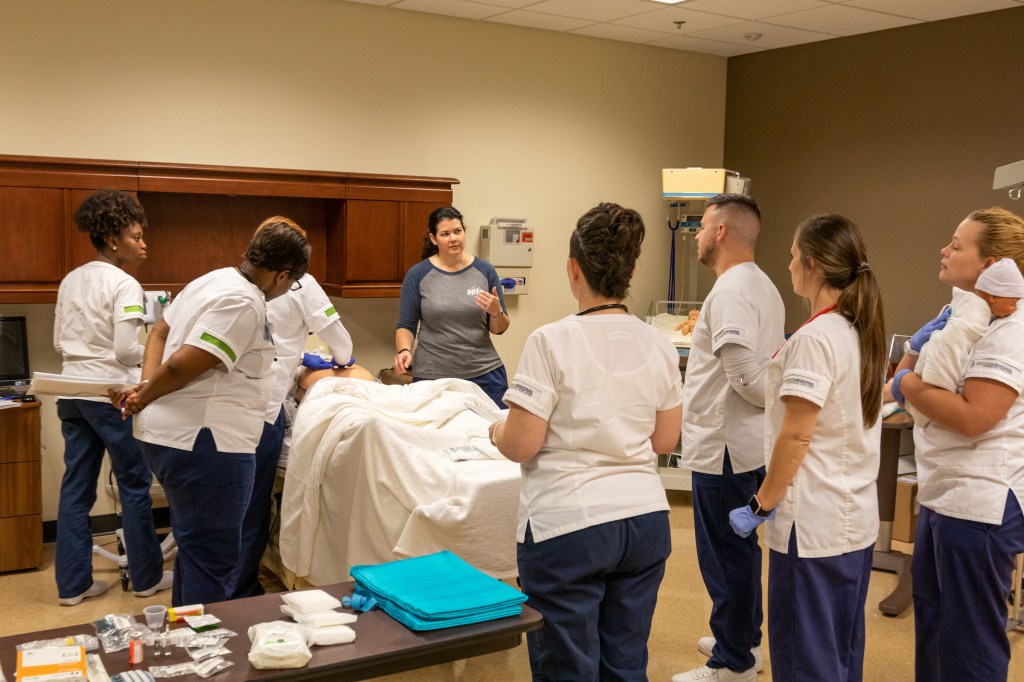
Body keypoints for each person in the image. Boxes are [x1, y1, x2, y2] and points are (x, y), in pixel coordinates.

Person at [490, 202, 682, 680]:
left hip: (569, 529)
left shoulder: (550, 341)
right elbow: (665, 440)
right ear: (631, 270)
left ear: (573, 269)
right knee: (625, 663)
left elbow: (522, 445)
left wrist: (496, 430)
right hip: (644, 523)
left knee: (568, 668)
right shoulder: (658, 343)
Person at [112, 218, 310, 607]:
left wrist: (145, 386)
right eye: (293, 283)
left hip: (177, 438)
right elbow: (183, 364)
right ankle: (205, 644)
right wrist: (144, 394)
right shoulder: (242, 303)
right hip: (207, 442)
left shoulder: (213, 280)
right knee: (212, 559)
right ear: (282, 275)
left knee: (196, 551)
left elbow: (160, 331)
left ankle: (184, 635)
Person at [730, 213, 885, 682]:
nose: (790, 264)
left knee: (805, 661)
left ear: (813, 265)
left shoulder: (816, 339)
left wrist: (760, 504)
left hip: (812, 528)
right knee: (838, 653)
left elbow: (796, 435)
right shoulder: (857, 329)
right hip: (851, 522)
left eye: (794, 255)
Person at [889, 207, 1024, 681]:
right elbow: (913, 371)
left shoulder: (1011, 331)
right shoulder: (960, 314)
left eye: (956, 244)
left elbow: (973, 417)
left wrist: (906, 384)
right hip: (945, 492)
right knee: (935, 622)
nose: (944, 250)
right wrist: (909, 375)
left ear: (990, 264)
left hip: (978, 502)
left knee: (968, 641)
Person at [673, 194, 784, 682]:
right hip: (743, 444)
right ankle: (744, 642)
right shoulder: (762, 285)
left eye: (701, 226)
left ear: (721, 231)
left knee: (724, 558)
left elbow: (746, 378)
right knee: (739, 553)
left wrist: (772, 404)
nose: (696, 235)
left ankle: (732, 663)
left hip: (724, 449)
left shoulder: (732, 290)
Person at [53, 189, 172, 606]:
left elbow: (60, 341)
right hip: (110, 396)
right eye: (136, 237)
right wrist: (164, 354)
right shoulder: (125, 284)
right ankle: (146, 578)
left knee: (75, 489)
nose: (144, 244)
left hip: (71, 392)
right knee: (134, 485)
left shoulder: (71, 279)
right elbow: (125, 351)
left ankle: (73, 586)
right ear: (112, 241)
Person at [227, 216, 354, 599]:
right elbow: (343, 346)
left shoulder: (235, 280)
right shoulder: (302, 284)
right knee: (252, 505)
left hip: (231, 405)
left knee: (232, 503)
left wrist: (298, 359)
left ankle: (224, 586)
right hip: (265, 407)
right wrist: (337, 362)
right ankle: (239, 590)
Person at [394, 206, 510, 408]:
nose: (454, 238)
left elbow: (499, 328)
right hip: (433, 377)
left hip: (484, 374)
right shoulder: (417, 275)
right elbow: (406, 325)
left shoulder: (485, 270)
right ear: (433, 239)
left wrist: (496, 312)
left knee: (492, 428)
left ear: (464, 232)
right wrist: (404, 350)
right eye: (445, 234)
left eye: (458, 231)